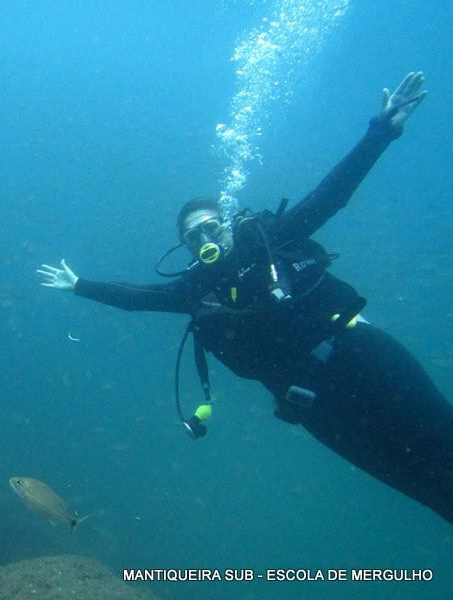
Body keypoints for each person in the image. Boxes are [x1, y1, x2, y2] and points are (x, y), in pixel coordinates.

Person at [37, 71, 453, 525]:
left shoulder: (271, 239)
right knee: (425, 489)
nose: (204, 239)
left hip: (363, 356)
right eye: (193, 236)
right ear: (188, 247)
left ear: (228, 224)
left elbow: (329, 197)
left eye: (211, 227)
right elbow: (136, 297)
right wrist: (80, 286)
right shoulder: (194, 290)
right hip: (312, 404)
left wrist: (381, 133)